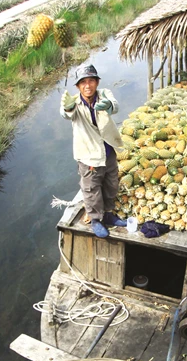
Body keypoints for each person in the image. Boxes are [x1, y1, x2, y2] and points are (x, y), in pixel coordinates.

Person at [60, 63, 126, 238]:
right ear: (78, 86)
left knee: (111, 183)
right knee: (91, 189)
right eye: (83, 82)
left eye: (91, 81)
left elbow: (115, 106)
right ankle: (96, 219)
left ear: (97, 82)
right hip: (89, 156)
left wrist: (108, 106)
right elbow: (66, 113)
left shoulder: (104, 94)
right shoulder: (74, 104)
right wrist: (67, 107)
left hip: (108, 152)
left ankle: (109, 214)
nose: (87, 85)